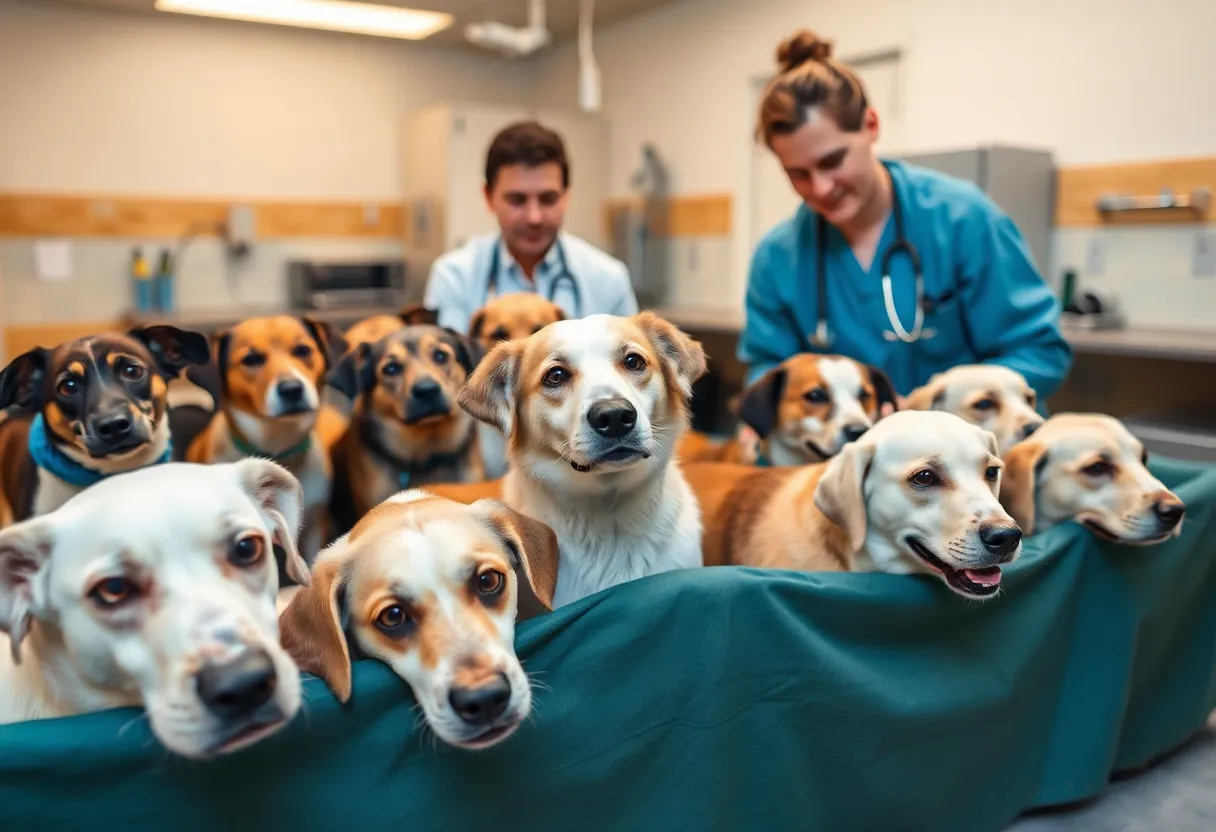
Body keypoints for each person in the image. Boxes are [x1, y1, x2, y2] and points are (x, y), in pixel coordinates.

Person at [738, 29, 1072, 411]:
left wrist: (929, 410)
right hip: (848, 460)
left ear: (871, 125)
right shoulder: (778, 257)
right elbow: (767, 372)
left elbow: (1039, 351)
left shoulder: (962, 219)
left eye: (833, 161)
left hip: (973, 454)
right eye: (798, 174)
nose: (821, 188)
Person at [423, 121, 638, 333]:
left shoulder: (608, 280)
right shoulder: (454, 277)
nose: (534, 217)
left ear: (566, 197)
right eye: (517, 200)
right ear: (488, 197)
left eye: (548, 199)